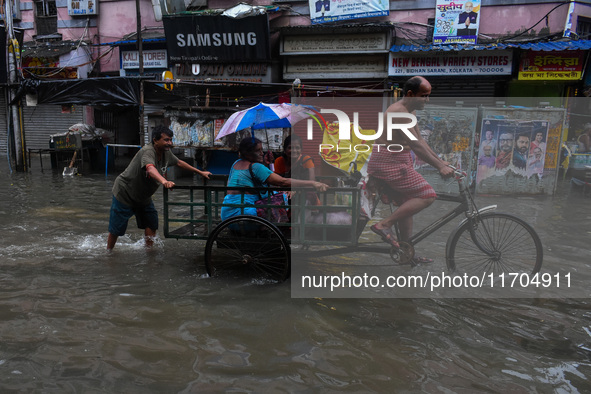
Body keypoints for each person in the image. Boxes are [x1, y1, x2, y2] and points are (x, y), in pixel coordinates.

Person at [367, 76, 454, 264]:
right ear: (410, 94)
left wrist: (443, 163)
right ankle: (384, 224)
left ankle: (407, 252)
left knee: (407, 204)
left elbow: (421, 141)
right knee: (428, 195)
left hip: (399, 162)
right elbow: (416, 146)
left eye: (429, 96)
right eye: (424, 96)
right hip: (388, 163)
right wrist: (439, 167)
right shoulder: (398, 112)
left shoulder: (409, 111)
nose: (427, 100)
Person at [107, 125, 212, 251]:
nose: (170, 143)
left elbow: (179, 162)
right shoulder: (148, 151)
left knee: (151, 223)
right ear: (155, 140)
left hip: (143, 196)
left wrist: (200, 172)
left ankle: (148, 252)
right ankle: (109, 252)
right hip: (125, 192)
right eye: (166, 140)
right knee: (116, 229)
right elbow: (150, 168)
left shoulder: (166, 152)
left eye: (170, 140)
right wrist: (164, 181)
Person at [221, 138, 328, 221]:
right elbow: (282, 181)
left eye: (261, 150)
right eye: (258, 151)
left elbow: (259, 176)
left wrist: (267, 164)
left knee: (280, 195)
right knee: (283, 199)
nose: (262, 153)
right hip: (245, 213)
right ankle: (284, 230)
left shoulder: (236, 164)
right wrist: (313, 183)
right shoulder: (256, 167)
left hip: (227, 212)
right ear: (248, 153)